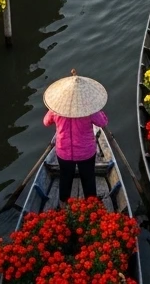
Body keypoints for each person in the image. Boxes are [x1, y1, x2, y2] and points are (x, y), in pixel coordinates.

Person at [43, 71, 109, 205]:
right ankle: (91, 205)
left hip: (64, 152)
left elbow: (46, 122)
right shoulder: (90, 110)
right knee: (88, 179)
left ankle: (64, 203)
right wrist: (99, 111)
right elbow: (102, 123)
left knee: (65, 178)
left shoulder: (56, 110)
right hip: (86, 153)